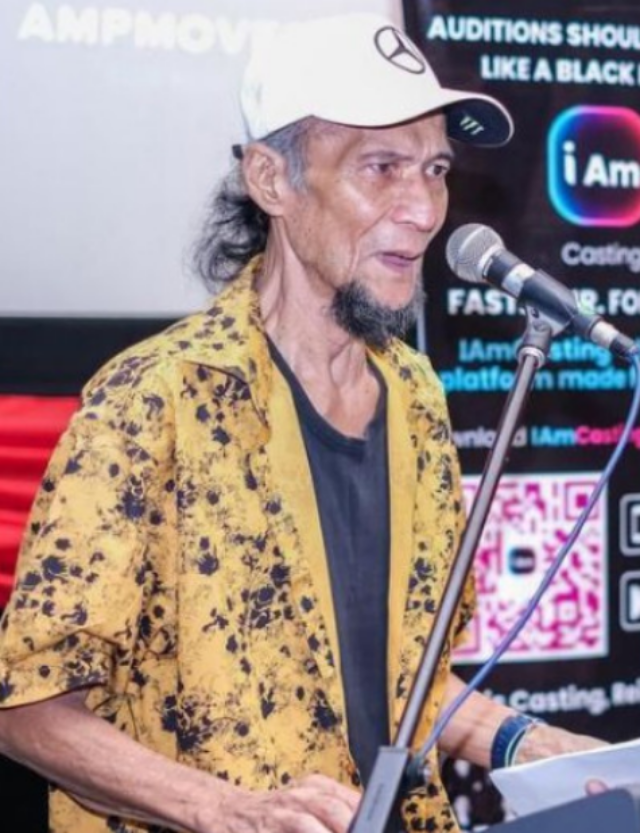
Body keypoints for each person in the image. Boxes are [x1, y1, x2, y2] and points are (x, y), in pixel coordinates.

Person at [0, 13, 604, 833]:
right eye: (381, 167)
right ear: (271, 180)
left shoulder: (417, 397)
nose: (423, 208)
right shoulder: (152, 400)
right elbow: (26, 707)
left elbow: (400, 678)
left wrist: (528, 743)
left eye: (435, 169)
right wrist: (227, 809)